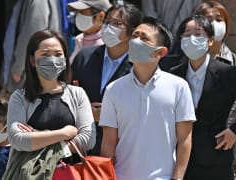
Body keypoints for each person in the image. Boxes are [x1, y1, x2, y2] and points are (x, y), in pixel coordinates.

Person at [100, 17, 196, 180]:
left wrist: (177, 178)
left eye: (144, 38)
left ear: (161, 52)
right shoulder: (113, 90)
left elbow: (185, 139)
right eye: (135, 36)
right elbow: (108, 143)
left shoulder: (179, 87)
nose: (136, 41)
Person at [6, 29, 95, 166]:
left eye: (58, 54)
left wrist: (38, 139)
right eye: (45, 54)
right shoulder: (19, 98)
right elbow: (18, 140)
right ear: (32, 60)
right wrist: (65, 133)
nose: (52, 59)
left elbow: (88, 138)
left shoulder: (77, 94)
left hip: (70, 173)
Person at [170, 15, 236, 180]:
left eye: (198, 34)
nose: (191, 38)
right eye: (186, 34)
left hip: (216, 157)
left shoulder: (227, 73)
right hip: (181, 158)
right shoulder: (174, 74)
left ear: (210, 41)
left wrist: (234, 130)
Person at [71, 3, 141, 155]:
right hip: (83, 147)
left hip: (122, 149)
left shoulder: (139, 66)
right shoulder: (84, 57)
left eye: (117, 24)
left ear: (132, 32)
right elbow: (69, 96)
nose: (109, 27)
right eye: (107, 22)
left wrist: (108, 115)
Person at [195, 1, 235, 65]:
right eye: (208, 20)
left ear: (226, 25)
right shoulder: (186, 59)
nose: (214, 24)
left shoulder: (233, 61)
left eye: (219, 20)